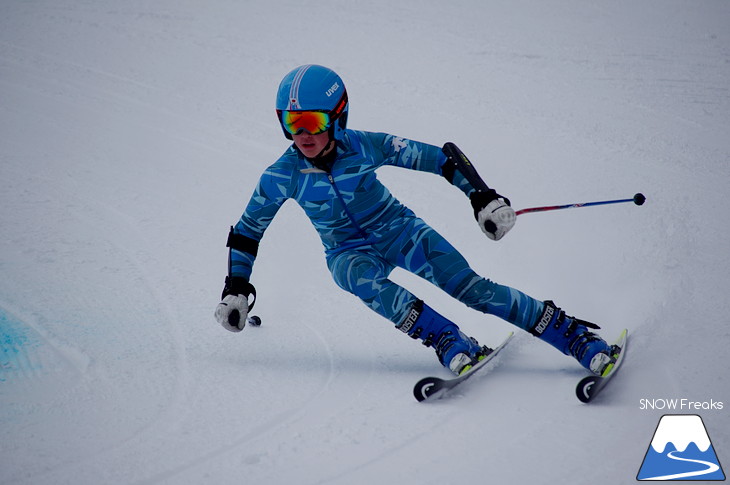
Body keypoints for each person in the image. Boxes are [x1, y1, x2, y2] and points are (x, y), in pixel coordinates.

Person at [214, 64, 615, 376]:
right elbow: (248, 232)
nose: (302, 135)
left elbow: (442, 157)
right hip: (348, 251)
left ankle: (574, 337)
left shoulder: (366, 145)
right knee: (352, 275)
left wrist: (482, 197)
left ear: (338, 117)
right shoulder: (280, 176)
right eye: (291, 123)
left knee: (472, 290)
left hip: (401, 233)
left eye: (313, 122)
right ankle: (448, 340)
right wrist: (235, 288)